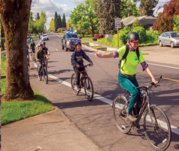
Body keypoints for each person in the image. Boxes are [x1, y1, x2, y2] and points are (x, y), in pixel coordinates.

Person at [95, 32, 158, 122]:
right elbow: (113, 54)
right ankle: (128, 113)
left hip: (133, 77)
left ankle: (136, 116)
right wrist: (101, 55)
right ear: (129, 42)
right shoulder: (125, 49)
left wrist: (153, 78)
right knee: (135, 92)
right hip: (123, 77)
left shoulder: (138, 52)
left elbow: (145, 65)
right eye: (134, 42)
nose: (136, 44)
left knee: (140, 95)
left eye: (137, 42)